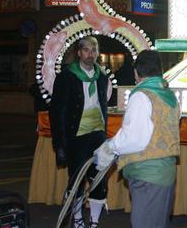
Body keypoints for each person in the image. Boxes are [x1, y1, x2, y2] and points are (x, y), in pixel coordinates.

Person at [95, 50, 180, 228]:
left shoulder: (142, 95)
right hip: (165, 172)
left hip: (147, 174)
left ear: (136, 72)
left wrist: (110, 148)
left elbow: (134, 138)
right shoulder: (169, 95)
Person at [50, 36, 111, 228]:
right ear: (79, 53)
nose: (90, 54)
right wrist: (59, 143)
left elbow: (103, 105)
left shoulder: (101, 76)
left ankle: (93, 221)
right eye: (86, 50)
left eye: (93, 50)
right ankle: (77, 218)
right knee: (76, 180)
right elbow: (57, 111)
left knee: (99, 178)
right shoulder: (67, 76)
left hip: (98, 134)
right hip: (76, 135)